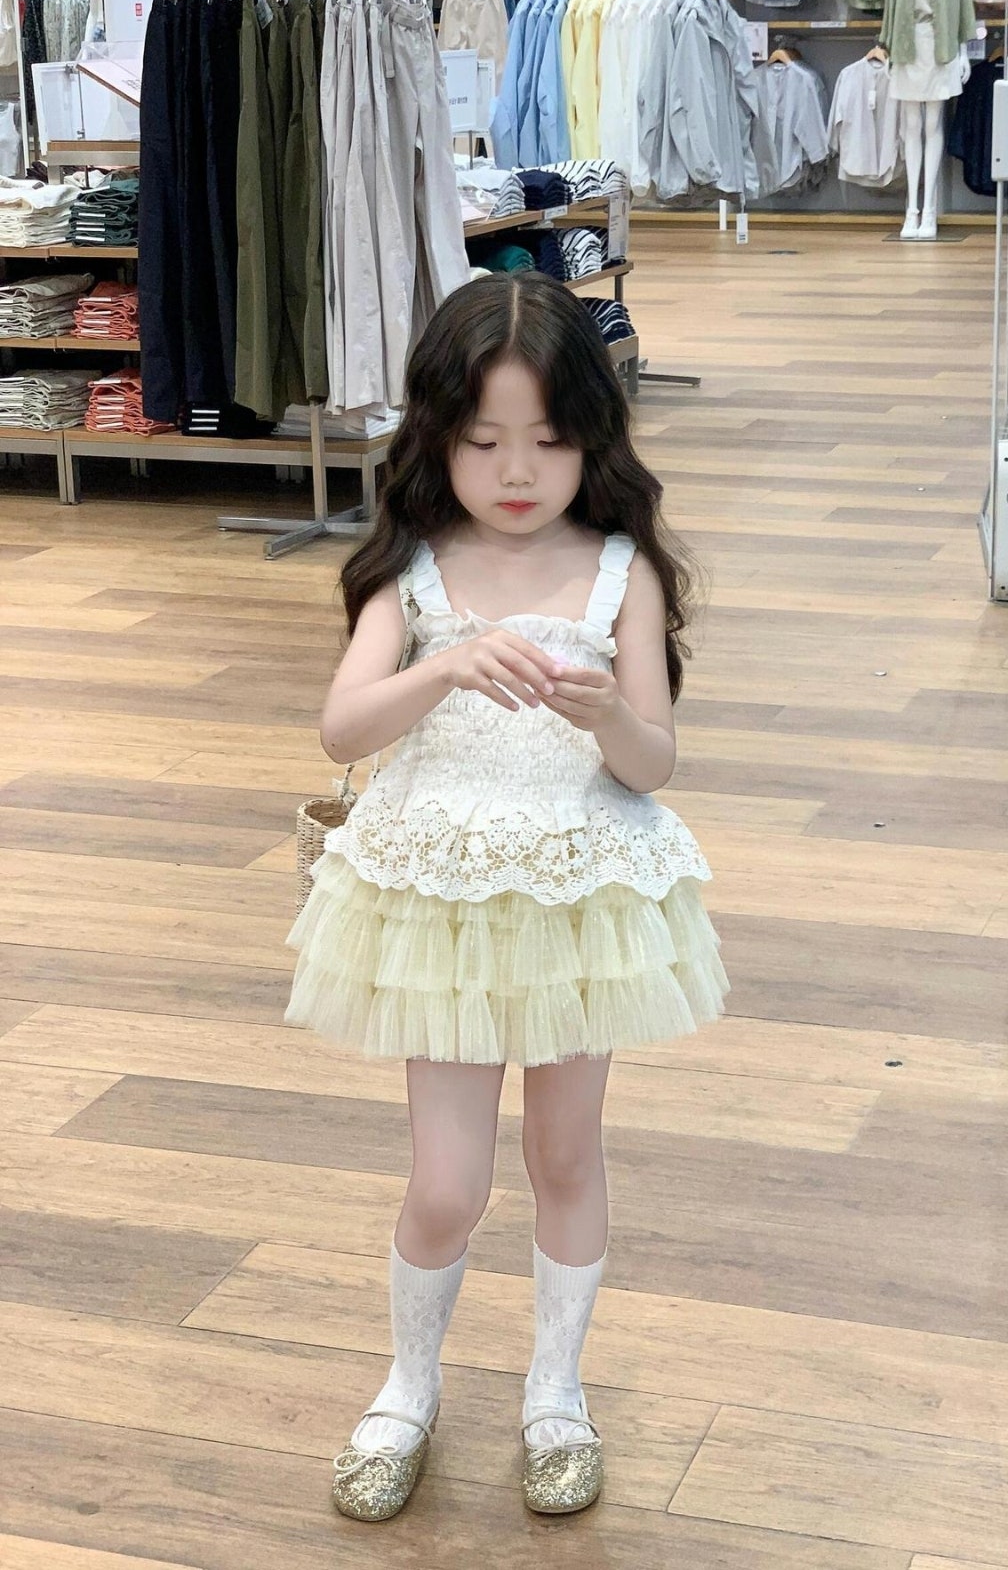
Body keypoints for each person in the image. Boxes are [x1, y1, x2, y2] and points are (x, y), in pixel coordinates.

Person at [284, 273, 729, 1524]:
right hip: (443, 903)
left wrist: (606, 716)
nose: (518, 471)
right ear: (437, 437)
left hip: (578, 901)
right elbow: (341, 729)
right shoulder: (414, 573)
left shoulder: (621, 573)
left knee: (564, 1155)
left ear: (594, 436)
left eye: (548, 439)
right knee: (446, 1184)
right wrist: (441, 671)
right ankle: (407, 1386)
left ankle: (555, 1394)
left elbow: (653, 763)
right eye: (484, 443)